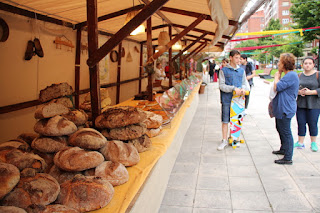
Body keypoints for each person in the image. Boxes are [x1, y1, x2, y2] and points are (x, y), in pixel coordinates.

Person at [217, 50, 250, 151]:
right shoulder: (223, 70)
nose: (238, 60)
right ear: (230, 58)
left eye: (239, 58)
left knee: (236, 120)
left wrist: (244, 89)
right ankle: (224, 140)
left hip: (239, 100)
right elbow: (221, 86)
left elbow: (245, 83)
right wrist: (232, 89)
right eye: (236, 58)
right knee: (225, 120)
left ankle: (234, 138)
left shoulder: (241, 71)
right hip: (227, 99)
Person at [272, 53, 299, 165]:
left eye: (280, 62)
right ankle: (283, 148)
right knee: (279, 127)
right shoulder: (289, 75)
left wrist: (276, 77)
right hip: (281, 107)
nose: (278, 64)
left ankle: (288, 157)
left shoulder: (291, 75)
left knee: (286, 131)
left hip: (285, 108)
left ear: (284, 64)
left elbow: (277, 86)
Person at [294, 57, 320, 152]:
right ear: (302, 65)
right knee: (301, 122)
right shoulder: (299, 75)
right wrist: (299, 92)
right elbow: (293, 88)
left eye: (310, 63)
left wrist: (311, 92)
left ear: (313, 64)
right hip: (301, 103)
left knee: (313, 123)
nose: (307, 65)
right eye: (305, 63)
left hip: (314, 104)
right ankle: (300, 142)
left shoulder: (317, 74)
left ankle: (313, 142)